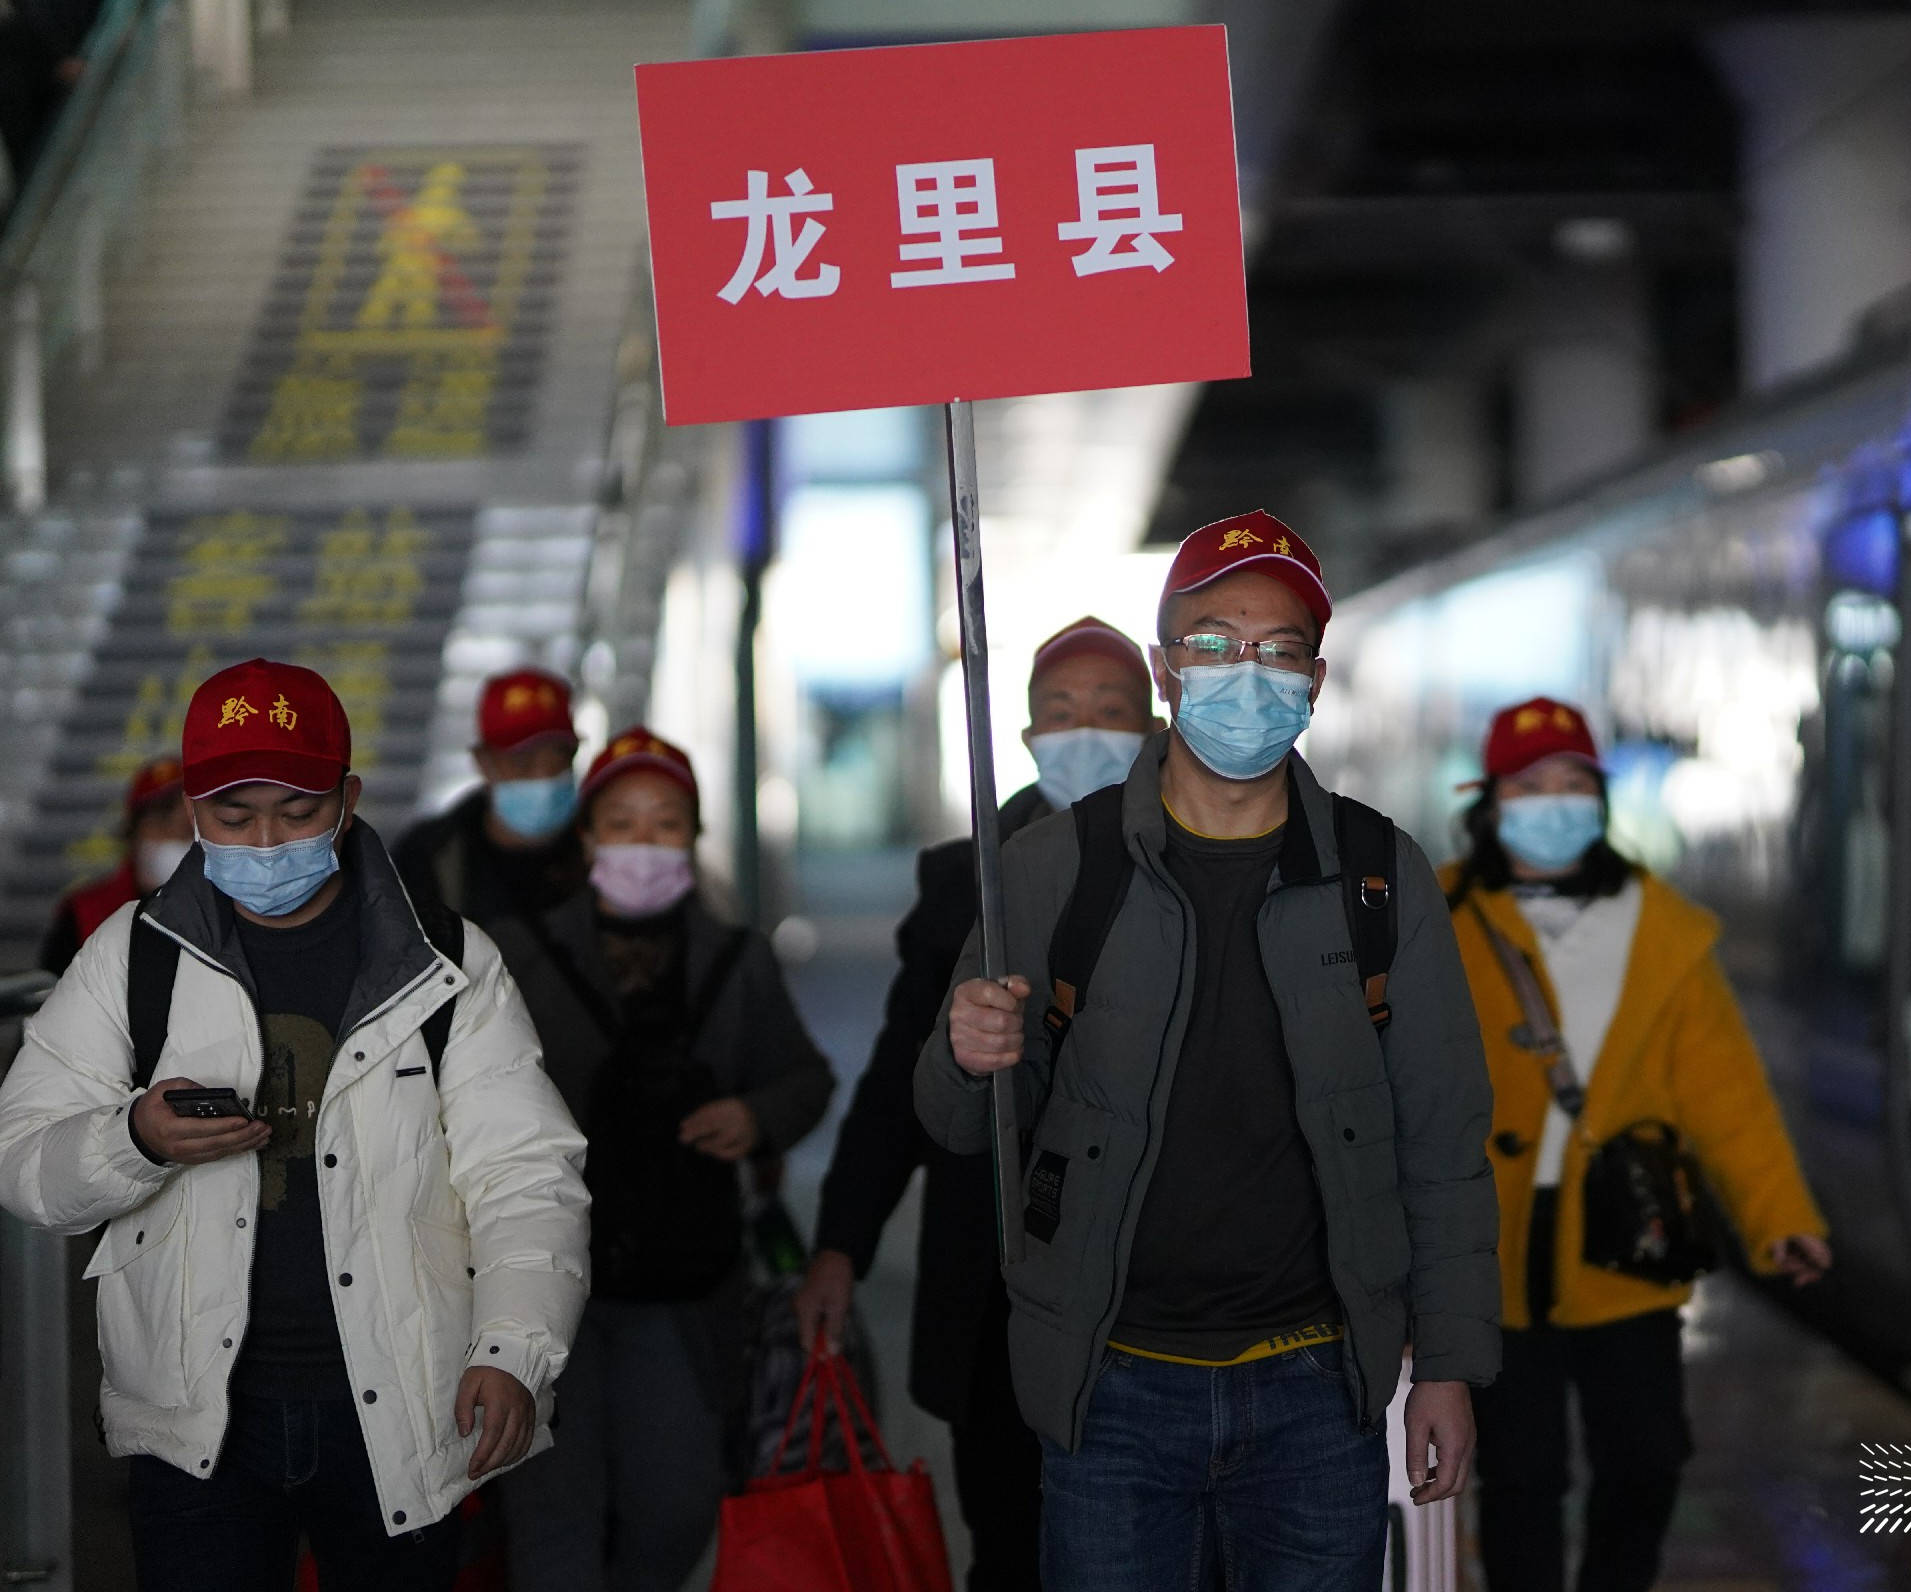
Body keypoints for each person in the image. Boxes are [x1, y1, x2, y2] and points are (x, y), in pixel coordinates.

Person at [918, 512, 1501, 1592]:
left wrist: (1450, 1366)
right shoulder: (1053, 868)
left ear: (1316, 677)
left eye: (1278, 648)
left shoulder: (1380, 874)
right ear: (1165, 668)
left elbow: (1444, 1138)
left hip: (1318, 1390)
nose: (1249, 672)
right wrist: (966, 1053)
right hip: (1112, 1386)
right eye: (1215, 642)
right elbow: (960, 1126)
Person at [0, 657, 591, 1591]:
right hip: (197, 1424)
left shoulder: (445, 963)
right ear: (194, 809)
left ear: (349, 800)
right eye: (234, 817)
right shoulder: (133, 956)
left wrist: (514, 1348)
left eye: (299, 811)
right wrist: (135, 1140)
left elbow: (526, 1174)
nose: (267, 841)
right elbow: (22, 1158)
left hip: (401, 1402)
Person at [794, 615, 1160, 1591]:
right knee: (1011, 1540)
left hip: (1157, 1281)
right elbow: (894, 1084)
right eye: (1061, 712)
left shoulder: (1199, 865)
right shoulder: (970, 882)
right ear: (1030, 735)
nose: (1086, 731)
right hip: (996, 1274)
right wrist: (841, 1241)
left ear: (1156, 725)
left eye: (1112, 710)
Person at [1444, 697, 1831, 1592]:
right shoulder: (1441, 915)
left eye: (1574, 783)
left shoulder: (1664, 929)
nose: (1554, 801)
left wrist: (1781, 1217)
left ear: (1602, 798)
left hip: (1624, 1243)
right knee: (1521, 1475)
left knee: (1646, 1460)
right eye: (1532, 784)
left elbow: (1726, 1094)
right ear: (1492, 801)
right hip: (1485, 1247)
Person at [491, 725, 836, 1592]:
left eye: (665, 823)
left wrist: (755, 1117)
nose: (643, 842)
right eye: (623, 822)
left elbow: (806, 1077)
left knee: (677, 1505)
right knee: (550, 1513)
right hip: (540, 1282)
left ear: (692, 836)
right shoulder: (512, 955)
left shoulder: (737, 960)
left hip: (682, 1287)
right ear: (587, 836)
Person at [394, 667, 589, 928]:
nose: (543, 775)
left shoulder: (606, 845)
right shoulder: (429, 857)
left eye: (559, 758)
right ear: (483, 761)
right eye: (523, 761)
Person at [39, 754, 192, 974]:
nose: (175, 839)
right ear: (132, 833)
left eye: (188, 829)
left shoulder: (233, 914)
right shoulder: (85, 914)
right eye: (161, 823)